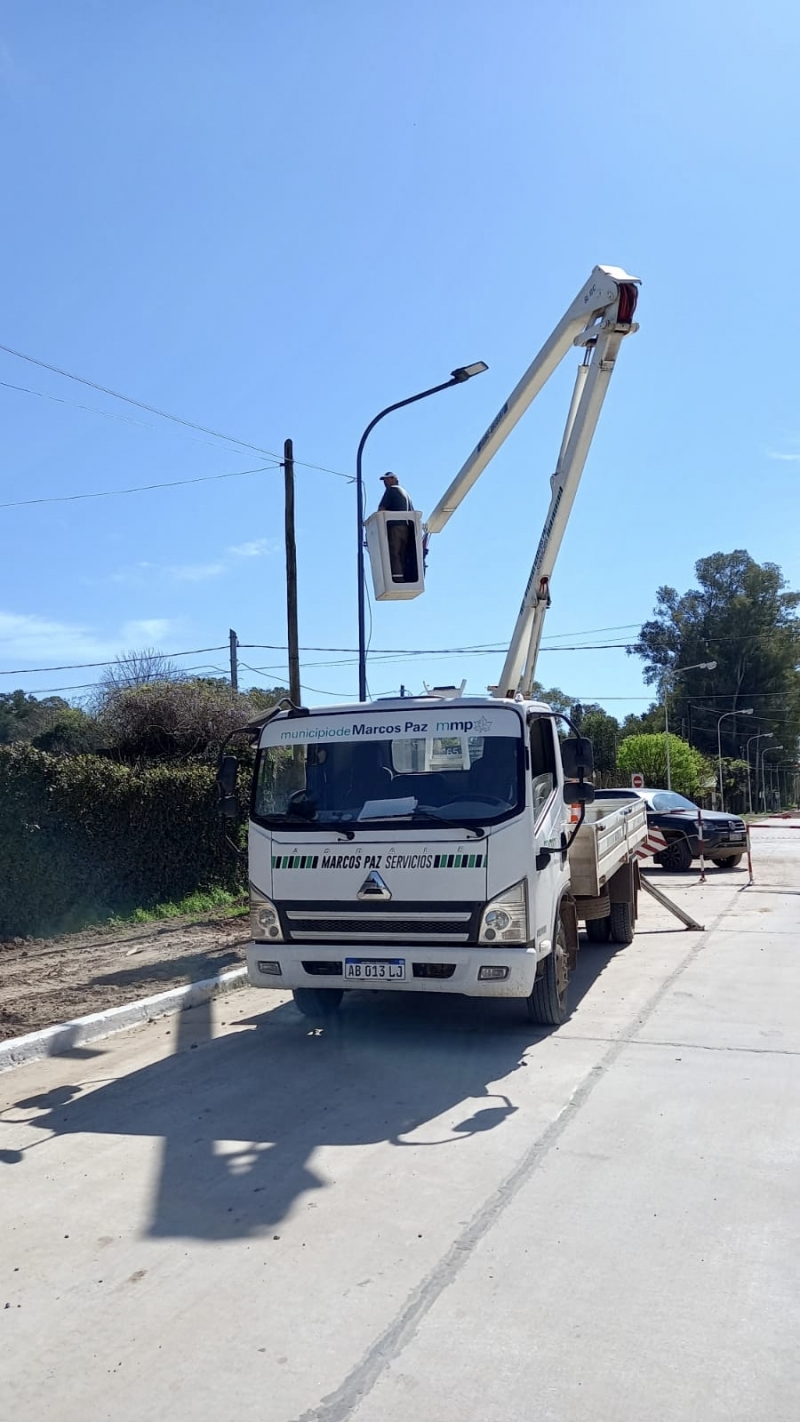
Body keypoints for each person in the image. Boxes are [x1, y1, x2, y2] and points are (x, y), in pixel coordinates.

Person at [378, 473, 416, 581]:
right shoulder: (406, 494)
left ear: (394, 479)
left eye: (386, 480)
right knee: (402, 554)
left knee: (394, 553)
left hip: (395, 526)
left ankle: (396, 579)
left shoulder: (392, 490)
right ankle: (404, 577)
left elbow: (381, 509)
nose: (385, 483)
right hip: (406, 528)